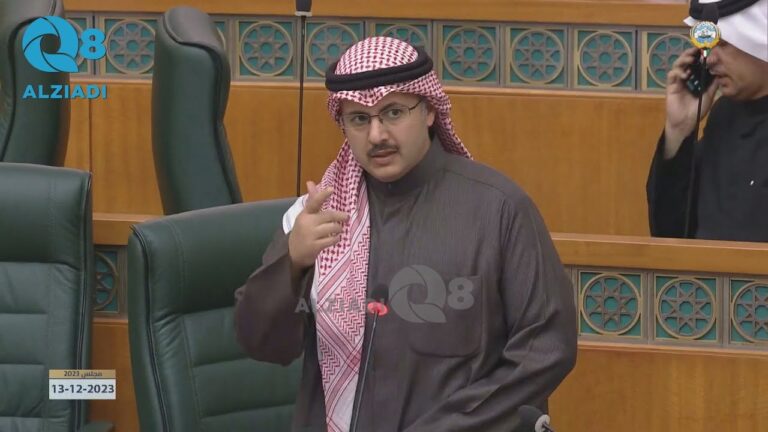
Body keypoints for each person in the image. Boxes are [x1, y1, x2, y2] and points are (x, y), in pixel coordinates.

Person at [235, 36, 577, 432]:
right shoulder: (317, 218)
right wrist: (291, 263)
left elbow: (545, 349)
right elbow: (261, 344)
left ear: (429, 110)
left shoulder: (498, 209)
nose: (376, 135)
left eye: (393, 112)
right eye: (359, 119)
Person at [647, 0, 768, 241]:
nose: (709, 60)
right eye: (707, 47)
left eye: (722, 44)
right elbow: (670, 233)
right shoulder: (724, 114)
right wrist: (679, 130)